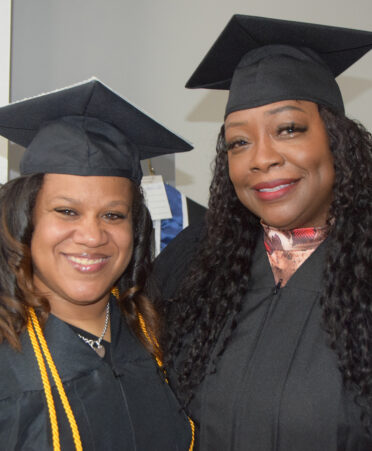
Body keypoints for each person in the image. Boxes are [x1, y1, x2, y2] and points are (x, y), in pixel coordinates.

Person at [153, 16, 372, 450]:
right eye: (239, 143)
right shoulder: (193, 266)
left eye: (288, 129)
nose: (261, 158)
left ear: (335, 140)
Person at [0, 78, 195, 450]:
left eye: (113, 215)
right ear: (26, 220)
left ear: (135, 229)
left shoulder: (160, 338)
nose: (92, 236)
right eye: (67, 211)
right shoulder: (8, 361)